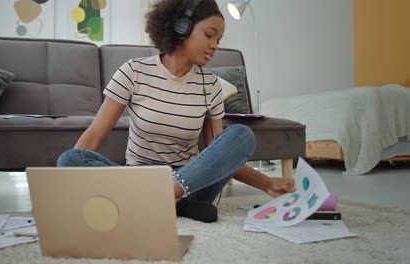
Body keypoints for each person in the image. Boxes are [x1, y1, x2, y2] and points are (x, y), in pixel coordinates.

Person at [57, 0, 295, 223]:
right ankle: (169, 204)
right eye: (209, 35)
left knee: (241, 136)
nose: (215, 45)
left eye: (219, 39)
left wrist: (266, 183)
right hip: (137, 179)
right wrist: (67, 187)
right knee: (69, 159)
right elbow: (94, 136)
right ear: (182, 27)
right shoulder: (133, 72)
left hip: (190, 185)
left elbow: (219, 155)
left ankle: (162, 197)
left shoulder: (211, 85)